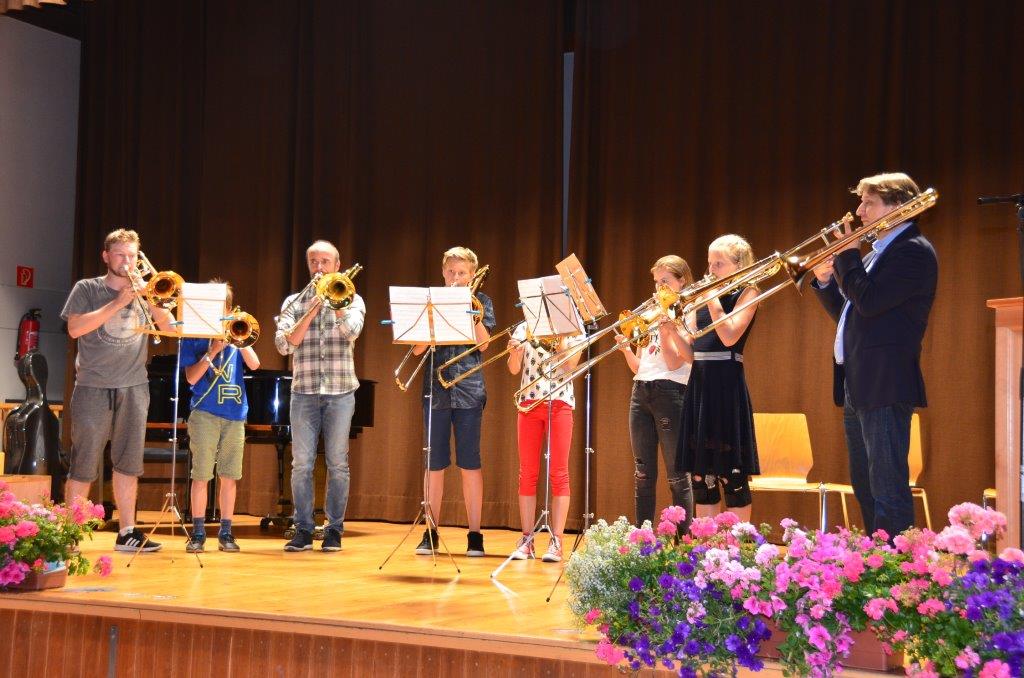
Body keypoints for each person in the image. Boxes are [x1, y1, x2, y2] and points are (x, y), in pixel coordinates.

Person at [811, 172, 937, 539]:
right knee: (865, 484)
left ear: (897, 207)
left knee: (887, 486)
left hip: (885, 381)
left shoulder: (912, 251)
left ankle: (899, 564)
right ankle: (874, 559)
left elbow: (868, 301)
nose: (859, 211)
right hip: (860, 381)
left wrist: (848, 255)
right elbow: (851, 314)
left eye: (869, 203)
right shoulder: (877, 255)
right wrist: (825, 281)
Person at [61, 228, 174, 552]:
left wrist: (149, 297)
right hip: (93, 386)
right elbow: (74, 329)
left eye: (132, 256)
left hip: (134, 386)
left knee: (128, 462)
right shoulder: (88, 288)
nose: (127, 262)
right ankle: (70, 533)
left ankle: (127, 532)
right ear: (106, 256)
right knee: (84, 461)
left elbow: (168, 327)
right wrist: (118, 303)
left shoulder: (144, 291)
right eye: (121, 255)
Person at [275, 240, 365, 552]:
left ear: (337, 266)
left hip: (341, 392)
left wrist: (336, 306)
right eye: (314, 261)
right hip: (304, 392)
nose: (319, 267)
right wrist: (311, 310)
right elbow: (284, 345)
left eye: (325, 262)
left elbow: (352, 332)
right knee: (302, 463)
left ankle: (333, 530)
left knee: (338, 463)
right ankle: (302, 529)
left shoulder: (353, 298)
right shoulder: (294, 302)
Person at [412, 246, 494, 557]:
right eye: (451, 272)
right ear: (443, 273)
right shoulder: (431, 302)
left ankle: (475, 534)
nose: (456, 277)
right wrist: (433, 318)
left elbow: (484, 345)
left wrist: (471, 310)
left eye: (462, 273)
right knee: (433, 464)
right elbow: (417, 350)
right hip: (436, 391)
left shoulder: (482, 301)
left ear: (472, 276)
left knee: (470, 462)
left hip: (469, 390)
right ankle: (430, 531)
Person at [676, 235, 761, 523]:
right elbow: (689, 354)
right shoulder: (702, 299)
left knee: (731, 476)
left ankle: (737, 547)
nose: (711, 270)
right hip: (700, 387)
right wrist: (670, 330)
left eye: (719, 264)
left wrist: (712, 300)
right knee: (702, 478)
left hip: (726, 386)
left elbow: (729, 336)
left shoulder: (748, 292)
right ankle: (706, 545)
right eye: (710, 263)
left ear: (739, 265)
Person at [615, 255, 695, 530]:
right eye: (657, 282)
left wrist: (665, 329)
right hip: (641, 391)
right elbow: (640, 366)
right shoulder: (651, 314)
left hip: (671, 391)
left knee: (677, 475)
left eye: (665, 281)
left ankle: (683, 542)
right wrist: (626, 349)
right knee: (642, 475)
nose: (659, 288)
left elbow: (674, 363)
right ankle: (643, 539)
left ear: (682, 281)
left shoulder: (689, 311)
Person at [182, 281, 260, 553]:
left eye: (222, 306)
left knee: (229, 475)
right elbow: (191, 378)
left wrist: (239, 337)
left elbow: (255, 364)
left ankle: (226, 532)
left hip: (235, 414)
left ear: (228, 308)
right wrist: (213, 351)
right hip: (204, 413)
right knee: (202, 474)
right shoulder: (193, 336)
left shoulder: (237, 334)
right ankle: (198, 532)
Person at [506, 323, 583, 562]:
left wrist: (560, 337)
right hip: (528, 402)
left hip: (560, 401)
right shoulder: (525, 325)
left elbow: (570, 365)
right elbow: (513, 369)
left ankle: (556, 540)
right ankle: (526, 539)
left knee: (559, 472)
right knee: (527, 472)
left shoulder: (573, 325)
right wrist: (514, 354)